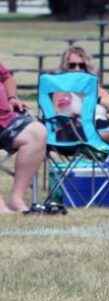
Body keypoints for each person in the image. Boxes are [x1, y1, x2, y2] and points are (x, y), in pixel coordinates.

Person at [57, 46, 109, 146]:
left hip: (103, 131)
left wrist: (96, 98)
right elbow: (57, 117)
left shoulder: (95, 89)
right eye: (72, 65)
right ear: (65, 67)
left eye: (81, 65)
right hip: (81, 135)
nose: (77, 69)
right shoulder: (61, 90)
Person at [0, 61, 47, 213]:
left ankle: (16, 198)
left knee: (37, 132)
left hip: (5, 120)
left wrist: (12, 97)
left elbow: (7, 78)